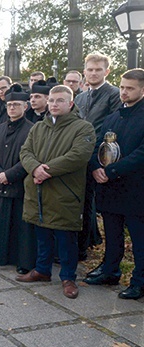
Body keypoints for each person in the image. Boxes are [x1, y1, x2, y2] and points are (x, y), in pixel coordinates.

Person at [17, 85, 95, 299]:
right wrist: (34, 168)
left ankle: (68, 277)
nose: (54, 104)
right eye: (51, 100)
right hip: (39, 190)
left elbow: (78, 155)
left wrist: (45, 171)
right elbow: (25, 151)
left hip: (64, 190)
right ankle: (42, 270)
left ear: (70, 104)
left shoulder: (83, 128)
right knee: (42, 232)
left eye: (59, 100)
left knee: (65, 236)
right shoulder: (39, 127)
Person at [84, 69, 144, 300]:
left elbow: (141, 153)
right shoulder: (113, 117)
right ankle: (110, 270)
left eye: (130, 88)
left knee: (139, 238)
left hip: (135, 188)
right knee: (112, 233)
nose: (124, 92)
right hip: (110, 187)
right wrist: (95, 167)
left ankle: (140, 281)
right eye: (122, 87)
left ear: (142, 89)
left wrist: (111, 171)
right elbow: (98, 144)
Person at [74, 53, 122, 264]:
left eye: (98, 70)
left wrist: (96, 161)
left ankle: (85, 248)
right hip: (77, 157)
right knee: (77, 204)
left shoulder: (113, 94)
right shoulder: (80, 97)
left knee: (91, 206)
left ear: (107, 72)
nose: (93, 73)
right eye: (90, 69)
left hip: (100, 160)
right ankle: (75, 246)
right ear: (84, 71)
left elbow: (111, 131)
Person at [0, 84, 36, 274]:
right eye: (9, 105)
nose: (12, 108)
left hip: (20, 185)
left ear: (26, 106)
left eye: (16, 105)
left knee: (21, 227)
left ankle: (23, 261)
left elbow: (30, 157)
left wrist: (9, 175)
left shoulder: (33, 130)